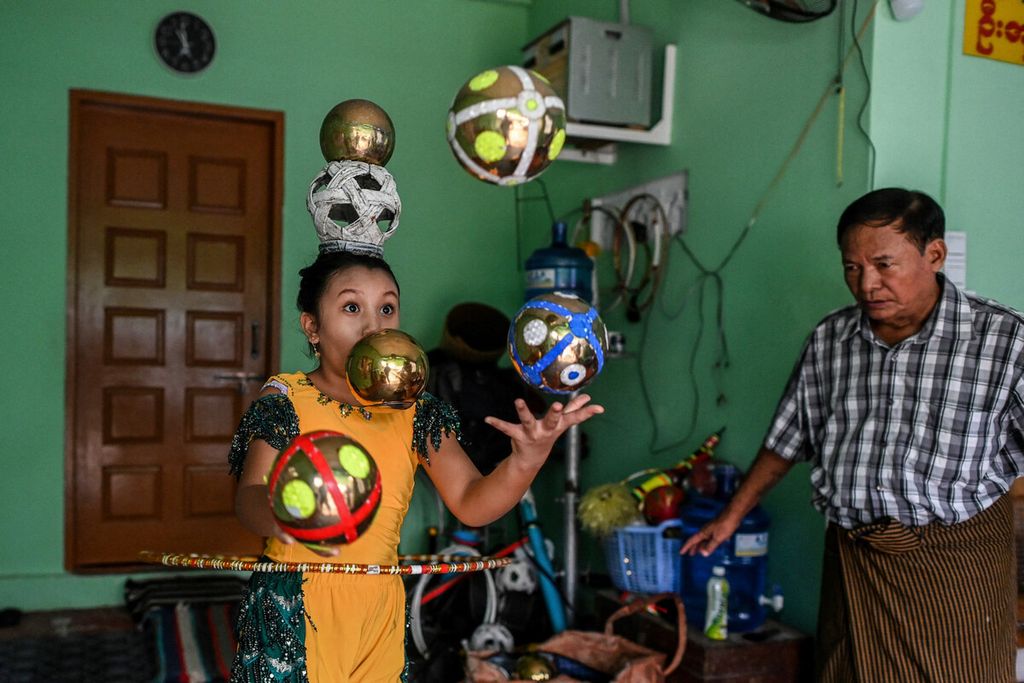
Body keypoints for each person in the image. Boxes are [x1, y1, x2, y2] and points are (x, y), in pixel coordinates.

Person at [681, 188, 1024, 682]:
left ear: (934, 255)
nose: (867, 284)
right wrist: (731, 516)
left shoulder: (1005, 341)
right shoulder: (831, 339)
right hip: (853, 561)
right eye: (851, 268)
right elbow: (788, 437)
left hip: (956, 568)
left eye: (884, 265)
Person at [228, 250, 603, 683]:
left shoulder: (414, 410)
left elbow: (471, 503)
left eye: (386, 308)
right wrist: (285, 512)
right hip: (296, 607)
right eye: (352, 307)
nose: (373, 326)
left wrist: (528, 458)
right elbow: (248, 500)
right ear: (312, 327)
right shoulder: (287, 399)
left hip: (380, 607)